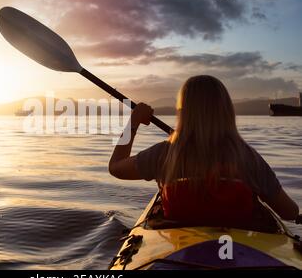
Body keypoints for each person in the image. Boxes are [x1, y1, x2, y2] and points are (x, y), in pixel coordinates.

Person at [109, 75, 299, 227]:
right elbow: (289, 212)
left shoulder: (165, 154)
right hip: (239, 251)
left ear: (182, 112)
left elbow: (116, 167)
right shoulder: (247, 157)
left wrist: (133, 122)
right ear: (226, 111)